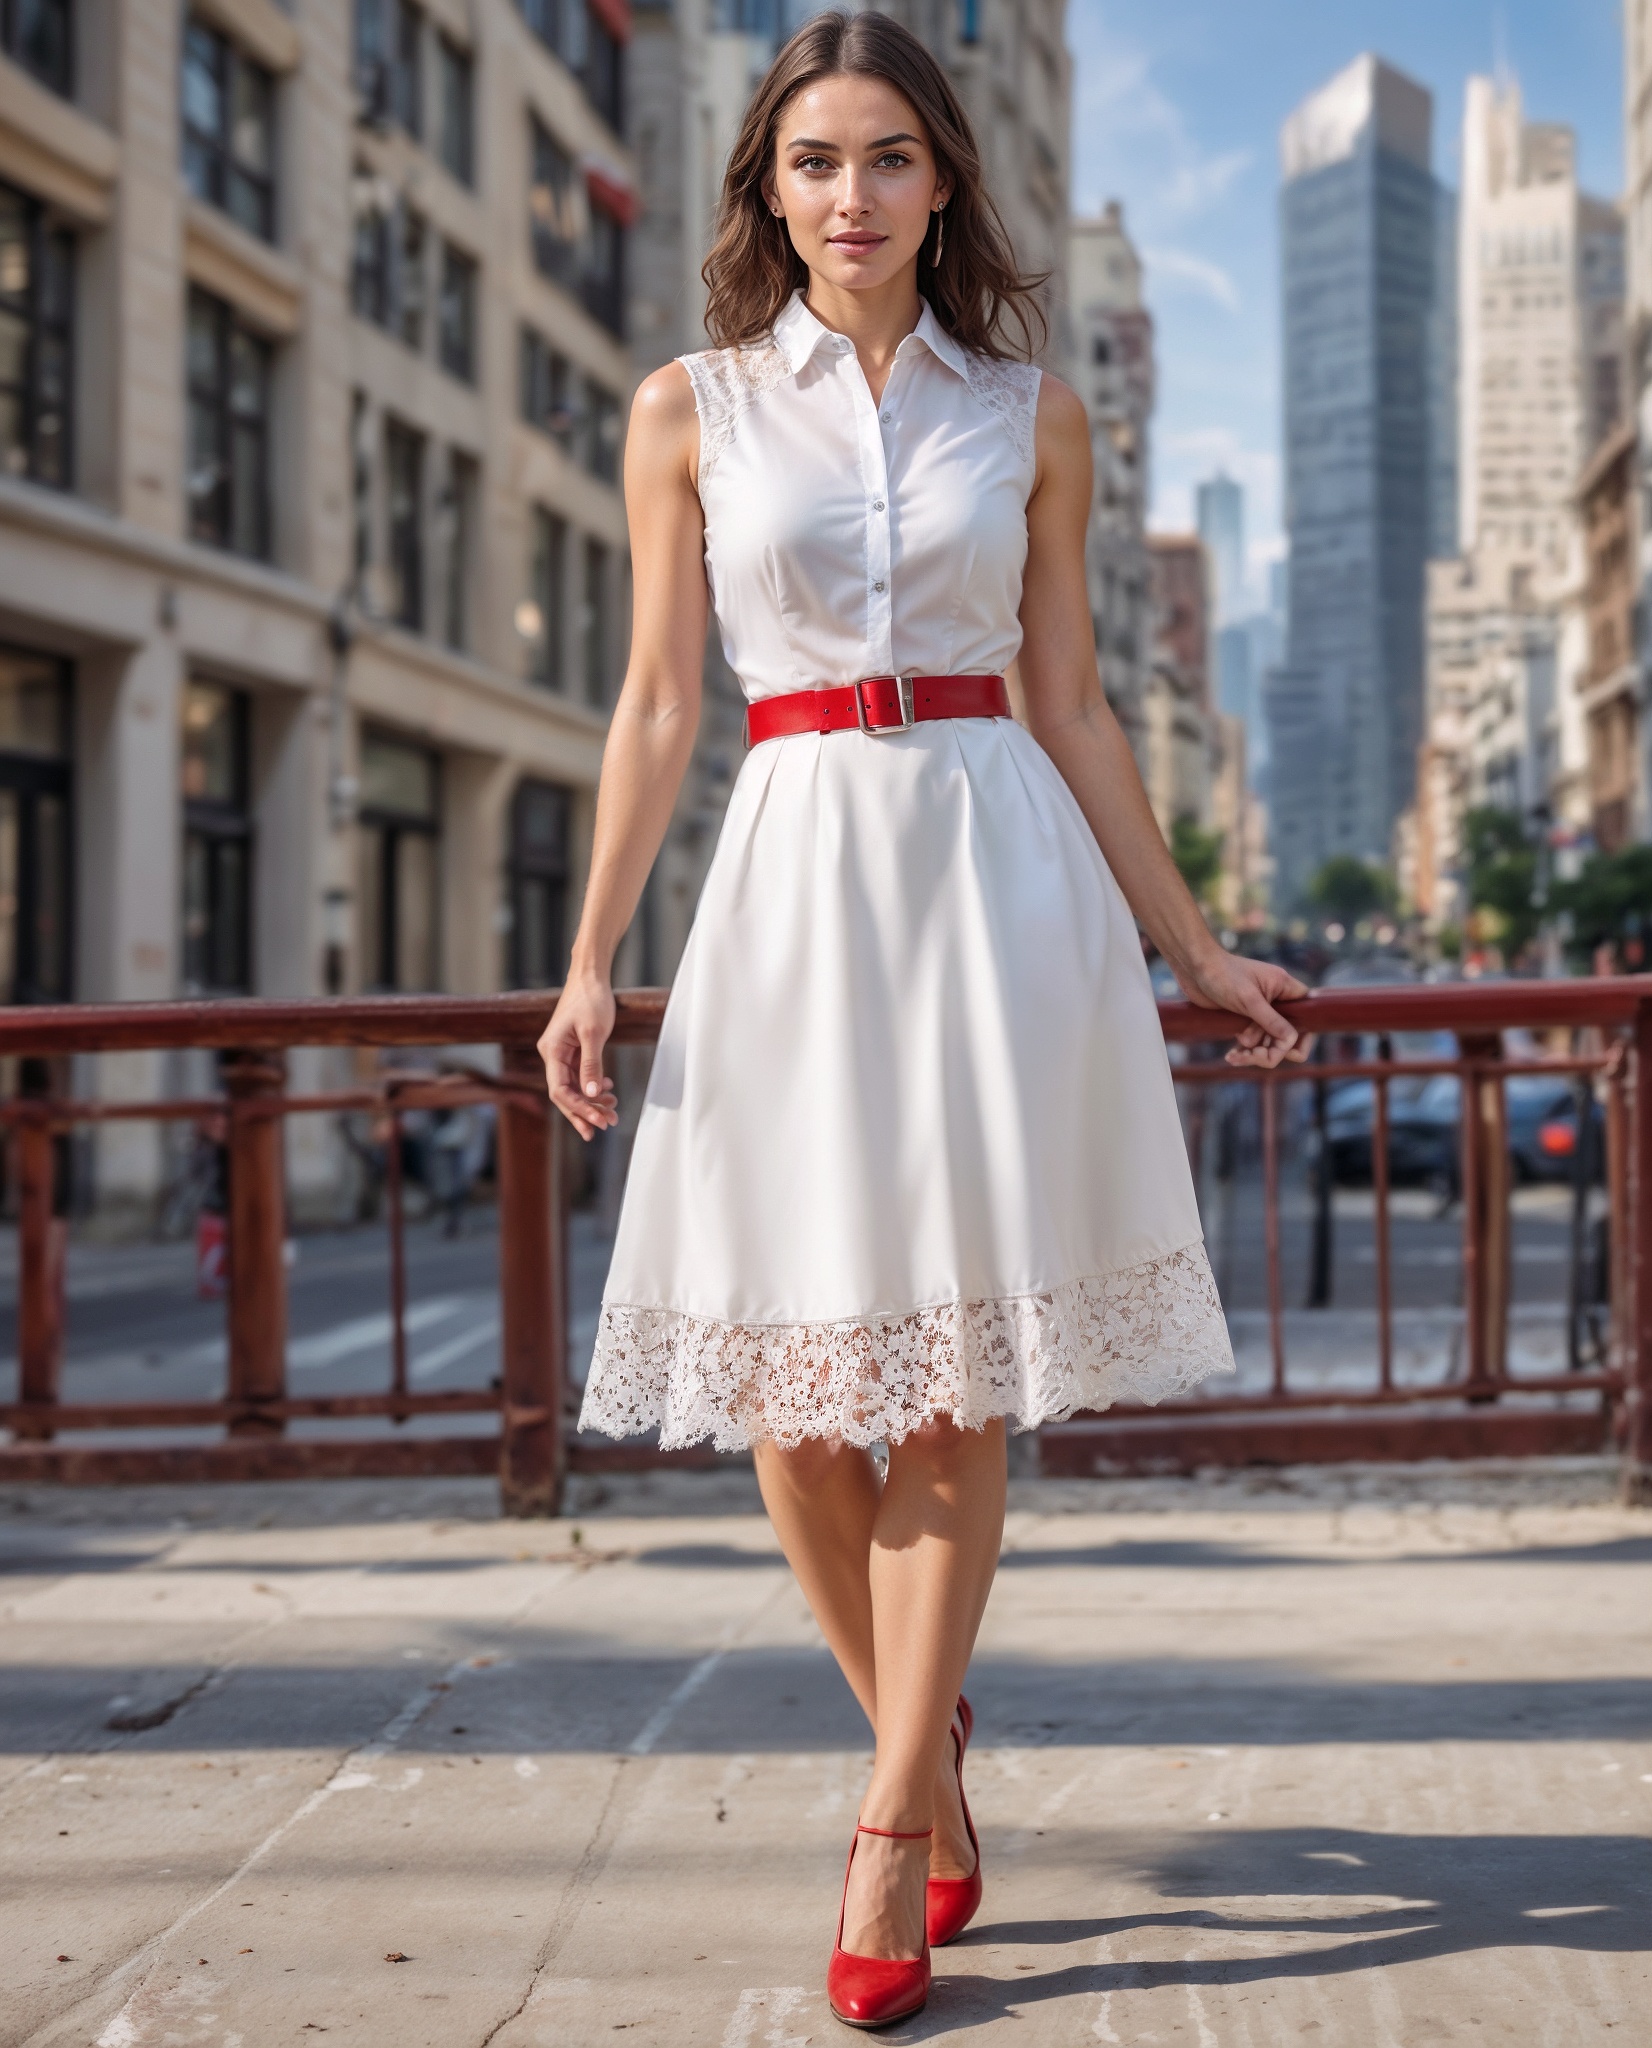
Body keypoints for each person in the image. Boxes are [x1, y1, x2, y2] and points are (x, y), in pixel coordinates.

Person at [539, 11, 1308, 2028]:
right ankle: (930, 1736)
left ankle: (891, 1814)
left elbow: (1071, 700)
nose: (850, 196)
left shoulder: (1032, 413)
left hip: (995, 875)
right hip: (790, 878)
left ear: (943, 178)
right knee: (797, 1402)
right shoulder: (686, 408)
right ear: (766, 189)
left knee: (957, 1373)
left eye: (887, 158)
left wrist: (1197, 946)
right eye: (812, 163)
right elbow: (653, 706)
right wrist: (590, 958)